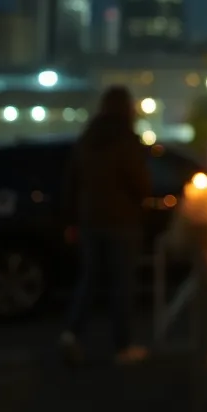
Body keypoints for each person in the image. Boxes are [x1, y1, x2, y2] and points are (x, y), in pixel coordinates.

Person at [61, 86, 152, 365]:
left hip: (90, 220)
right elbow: (140, 183)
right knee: (121, 284)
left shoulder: (87, 139)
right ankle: (122, 346)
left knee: (89, 280)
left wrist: (72, 220)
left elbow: (72, 183)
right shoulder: (126, 140)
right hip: (122, 221)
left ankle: (71, 333)